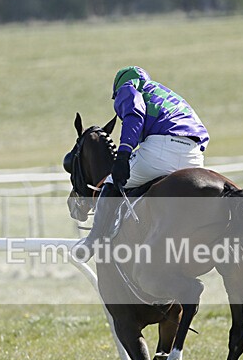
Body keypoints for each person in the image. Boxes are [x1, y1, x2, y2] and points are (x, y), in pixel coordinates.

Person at [73, 66, 210, 261]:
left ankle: (92, 241)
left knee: (110, 182)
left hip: (162, 150)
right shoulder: (167, 94)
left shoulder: (128, 89)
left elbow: (134, 115)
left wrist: (123, 154)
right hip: (194, 156)